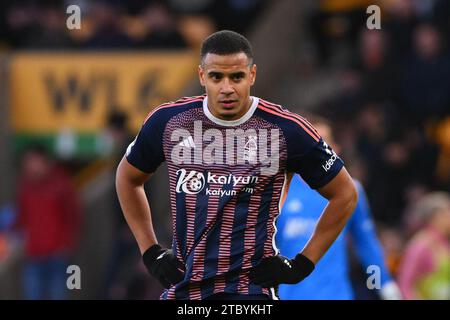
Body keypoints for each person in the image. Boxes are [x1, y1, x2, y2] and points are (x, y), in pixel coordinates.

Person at [116, 30, 358, 300]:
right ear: (201, 76)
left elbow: (345, 194)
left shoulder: (287, 130)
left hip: (249, 293)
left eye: (237, 77)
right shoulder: (169, 121)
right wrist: (150, 251)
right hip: (184, 292)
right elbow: (128, 178)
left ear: (252, 75)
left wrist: (302, 264)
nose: (227, 88)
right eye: (216, 77)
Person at [276, 117, 402, 300]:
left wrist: (384, 285)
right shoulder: (279, 191)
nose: (314, 151)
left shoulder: (352, 191)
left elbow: (366, 244)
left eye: (322, 143)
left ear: (335, 149)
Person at [15, 144, 81, 299]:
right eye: (27, 163)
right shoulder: (24, 186)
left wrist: (68, 243)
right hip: (33, 254)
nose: (30, 167)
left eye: (34, 161)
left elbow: (74, 216)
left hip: (57, 254)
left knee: (59, 293)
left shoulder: (60, 183)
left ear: (45, 162)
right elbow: (22, 216)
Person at [398, 191, 450, 300]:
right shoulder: (420, 245)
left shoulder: (445, 244)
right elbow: (405, 283)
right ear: (436, 216)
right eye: (447, 213)